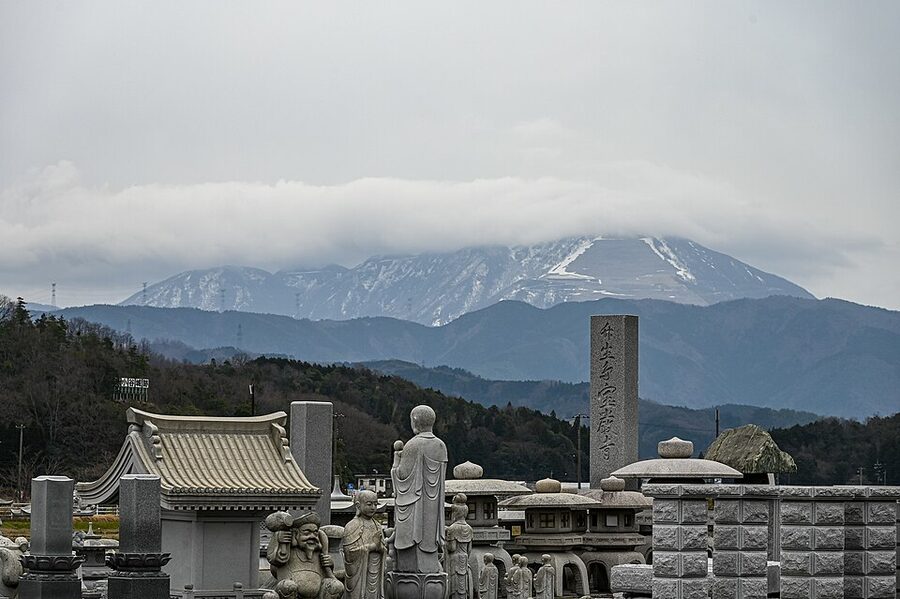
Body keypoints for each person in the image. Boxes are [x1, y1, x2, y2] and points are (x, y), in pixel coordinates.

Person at [391, 405, 448, 573]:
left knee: (411, 562)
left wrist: (395, 462)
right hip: (433, 511)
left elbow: (402, 476)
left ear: (415, 420)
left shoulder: (413, 445)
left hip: (415, 510)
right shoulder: (441, 446)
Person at [265, 511, 344, 599]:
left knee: (336, 586)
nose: (312, 536)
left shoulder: (318, 550)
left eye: (315, 533)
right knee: (288, 586)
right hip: (291, 591)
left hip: (318, 592)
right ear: (296, 534)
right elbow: (274, 561)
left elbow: (329, 574)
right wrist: (279, 539)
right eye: (307, 533)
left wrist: (329, 564)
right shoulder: (289, 548)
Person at [343, 490, 386, 599]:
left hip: (375, 571)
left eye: (376, 504)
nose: (373, 507)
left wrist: (381, 548)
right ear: (358, 505)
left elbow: (383, 548)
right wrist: (370, 547)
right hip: (359, 576)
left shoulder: (378, 526)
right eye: (369, 504)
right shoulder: (352, 526)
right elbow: (349, 553)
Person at [445, 494, 474, 599]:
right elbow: (469, 549)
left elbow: (451, 548)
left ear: (455, 513)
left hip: (455, 558)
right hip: (465, 557)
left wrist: (445, 541)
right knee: (463, 585)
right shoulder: (470, 528)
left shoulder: (452, 528)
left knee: (455, 585)